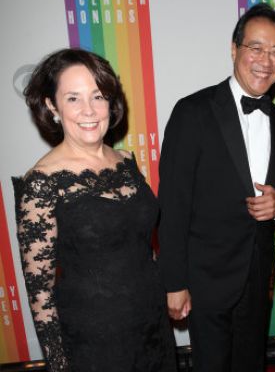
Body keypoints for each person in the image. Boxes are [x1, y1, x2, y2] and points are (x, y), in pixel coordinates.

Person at [12, 48, 176, 372]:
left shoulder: (126, 161)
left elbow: (140, 246)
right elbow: (40, 294)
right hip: (94, 343)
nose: (88, 110)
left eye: (98, 96)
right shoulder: (42, 183)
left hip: (153, 327)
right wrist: (59, 365)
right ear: (52, 105)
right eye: (73, 98)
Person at [158, 3, 275, 372]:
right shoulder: (193, 111)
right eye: (256, 48)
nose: (265, 61)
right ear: (234, 49)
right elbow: (172, 204)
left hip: (257, 274)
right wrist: (174, 282)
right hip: (205, 278)